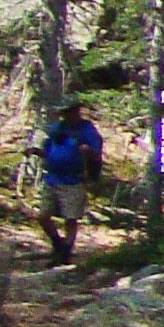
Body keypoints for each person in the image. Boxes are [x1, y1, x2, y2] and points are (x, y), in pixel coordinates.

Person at [35, 99, 104, 268]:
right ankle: (58, 244)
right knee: (43, 215)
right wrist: (37, 152)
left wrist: (88, 151)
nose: (64, 116)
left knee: (70, 219)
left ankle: (65, 253)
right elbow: (49, 150)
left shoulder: (87, 130)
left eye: (67, 112)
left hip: (74, 181)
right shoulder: (57, 129)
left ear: (76, 111)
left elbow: (97, 155)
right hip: (52, 178)